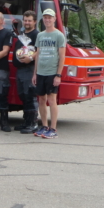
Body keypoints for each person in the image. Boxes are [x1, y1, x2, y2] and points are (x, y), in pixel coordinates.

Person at [33, 8, 66, 139]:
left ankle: (53, 128)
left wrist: (58, 75)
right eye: (45, 17)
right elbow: (38, 54)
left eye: (50, 17)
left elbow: (62, 56)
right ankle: (44, 126)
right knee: (41, 99)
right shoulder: (40, 35)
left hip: (52, 72)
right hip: (40, 72)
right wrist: (34, 73)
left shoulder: (59, 35)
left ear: (54, 19)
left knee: (52, 99)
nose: (47, 20)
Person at [13, 11, 40, 134]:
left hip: (30, 69)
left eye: (29, 20)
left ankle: (33, 123)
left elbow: (39, 50)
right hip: (20, 69)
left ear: (35, 21)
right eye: (25, 20)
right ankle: (26, 121)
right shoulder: (22, 34)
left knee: (30, 96)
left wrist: (31, 57)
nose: (27, 22)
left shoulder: (37, 35)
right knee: (23, 96)